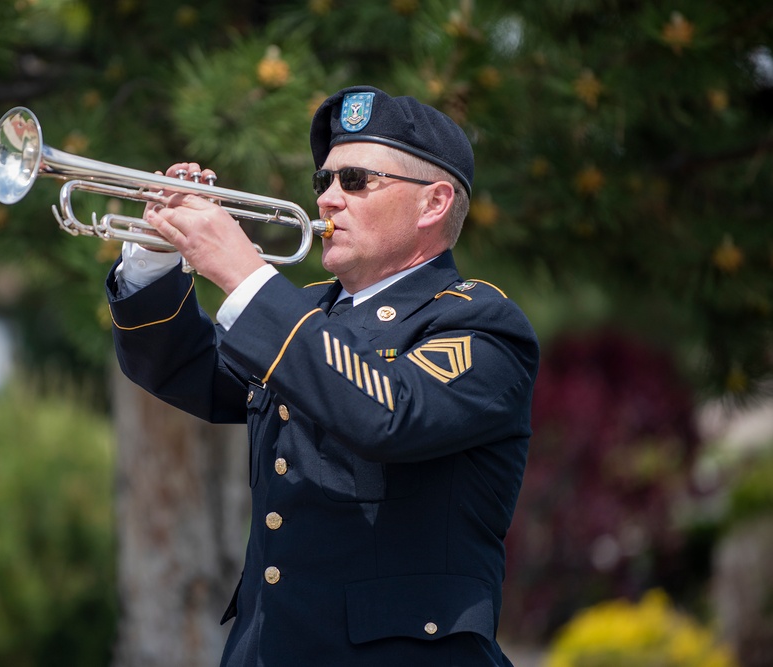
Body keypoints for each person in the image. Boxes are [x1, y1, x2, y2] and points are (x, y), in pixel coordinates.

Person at [105, 85, 540, 666]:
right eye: (324, 182)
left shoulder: (480, 323)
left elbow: (390, 414)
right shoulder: (307, 317)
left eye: (356, 181)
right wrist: (155, 254)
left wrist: (245, 275)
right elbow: (185, 370)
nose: (329, 200)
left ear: (433, 204)